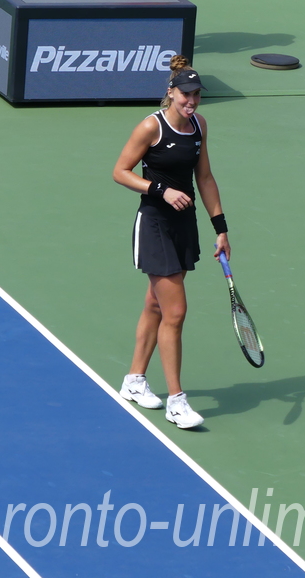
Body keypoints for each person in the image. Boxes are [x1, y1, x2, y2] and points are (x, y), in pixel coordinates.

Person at [112, 55, 230, 429]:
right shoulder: (151, 127)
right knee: (175, 312)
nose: (191, 101)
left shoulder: (199, 125)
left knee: (155, 304)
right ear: (171, 93)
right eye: (186, 95)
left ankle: (134, 380)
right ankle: (176, 401)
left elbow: (205, 179)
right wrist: (159, 189)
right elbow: (120, 172)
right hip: (155, 225)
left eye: (196, 95)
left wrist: (221, 228)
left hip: (184, 224)